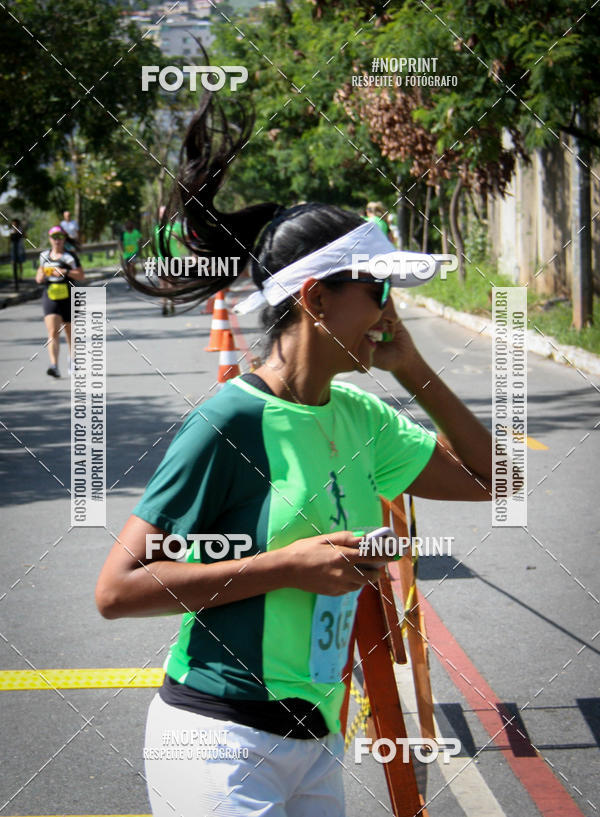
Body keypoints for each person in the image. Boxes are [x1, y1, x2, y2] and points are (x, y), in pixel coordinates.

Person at [96, 97, 493, 817]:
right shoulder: (232, 419)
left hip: (315, 745)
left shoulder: (361, 415)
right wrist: (287, 565)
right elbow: (117, 590)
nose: (388, 309)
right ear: (315, 298)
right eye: (377, 288)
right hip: (218, 745)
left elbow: (497, 477)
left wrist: (414, 370)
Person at [36, 226, 84, 378]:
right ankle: (54, 366)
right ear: (50, 239)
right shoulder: (44, 256)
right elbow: (39, 276)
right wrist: (41, 275)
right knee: (52, 332)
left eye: (60, 237)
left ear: (64, 239)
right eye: (54, 237)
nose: (57, 240)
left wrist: (66, 272)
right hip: (50, 296)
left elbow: (81, 275)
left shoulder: (69, 257)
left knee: (70, 333)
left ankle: (73, 361)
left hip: (69, 296)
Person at [9, 218, 26, 290]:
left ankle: (20, 277)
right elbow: (10, 240)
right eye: (13, 224)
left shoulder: (20, 230)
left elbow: (25, 236)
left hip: (20, 249)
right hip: (13, 249)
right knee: (13, 263)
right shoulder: (11, 231)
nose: (14, 225)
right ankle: (15, 278)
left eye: (15, 224)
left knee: (20, 264)